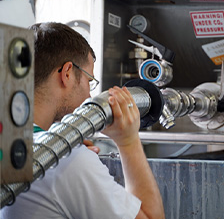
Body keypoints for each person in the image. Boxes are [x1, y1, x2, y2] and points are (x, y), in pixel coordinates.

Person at [0, 22, 164, 219]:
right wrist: (128, 141)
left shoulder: (9, 144)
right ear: (67, 73)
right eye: (89, 80)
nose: (88, 93)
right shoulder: (65, 162)